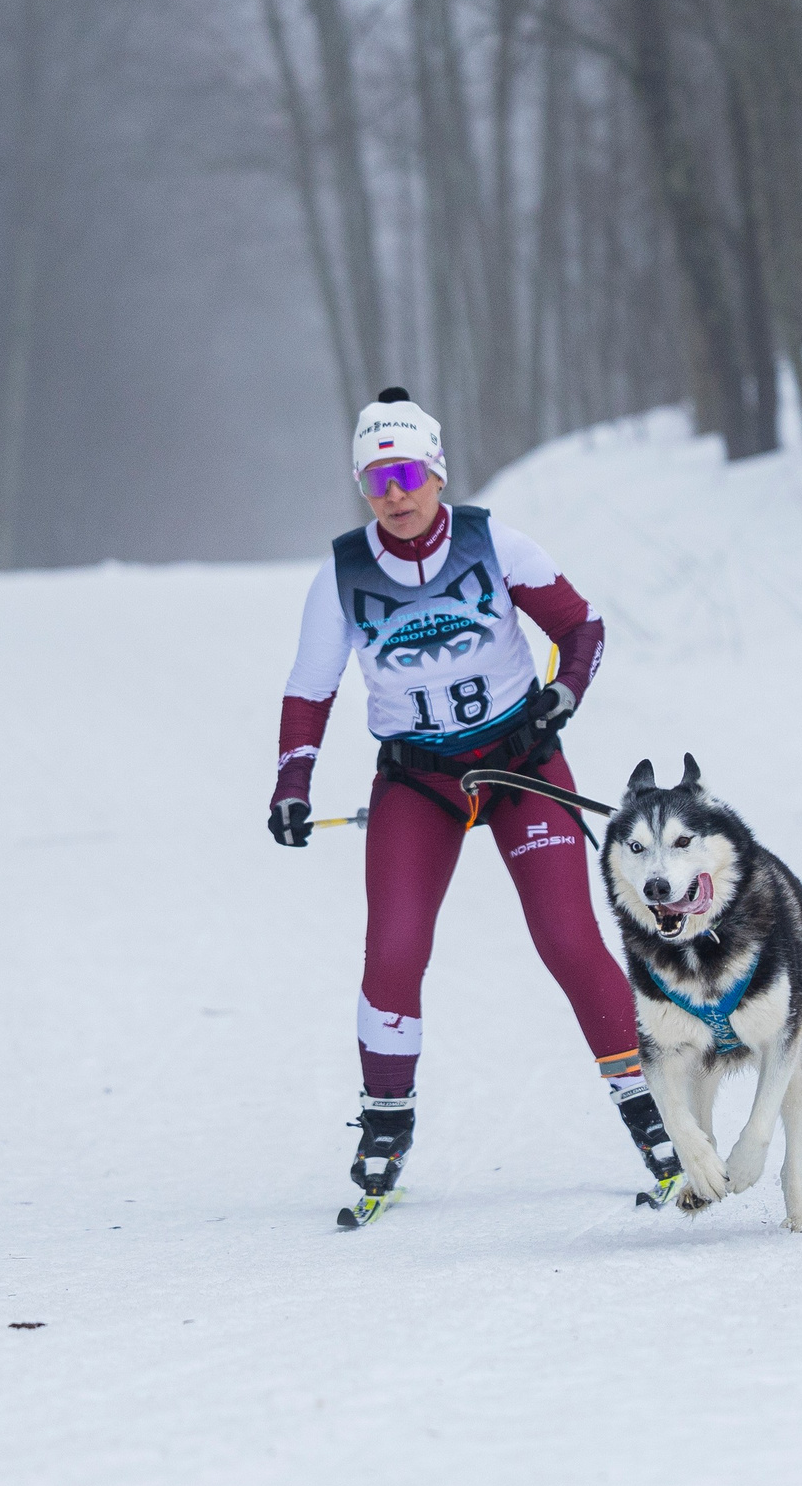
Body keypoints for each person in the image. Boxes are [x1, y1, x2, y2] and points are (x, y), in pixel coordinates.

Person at [268, 388, 681, 1215]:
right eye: (377, 476)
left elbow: (584, 627)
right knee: (394, 942)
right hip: (419, 782)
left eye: (409, 471)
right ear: (362, 483)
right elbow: (309, 690)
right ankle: (386, 1122)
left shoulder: (495, 542)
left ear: (438, 471)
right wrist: (291, 783)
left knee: (568, 937)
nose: (395, 491)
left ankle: (654, 1111)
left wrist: (562, 694)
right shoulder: (343, 573)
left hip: (521, 767)